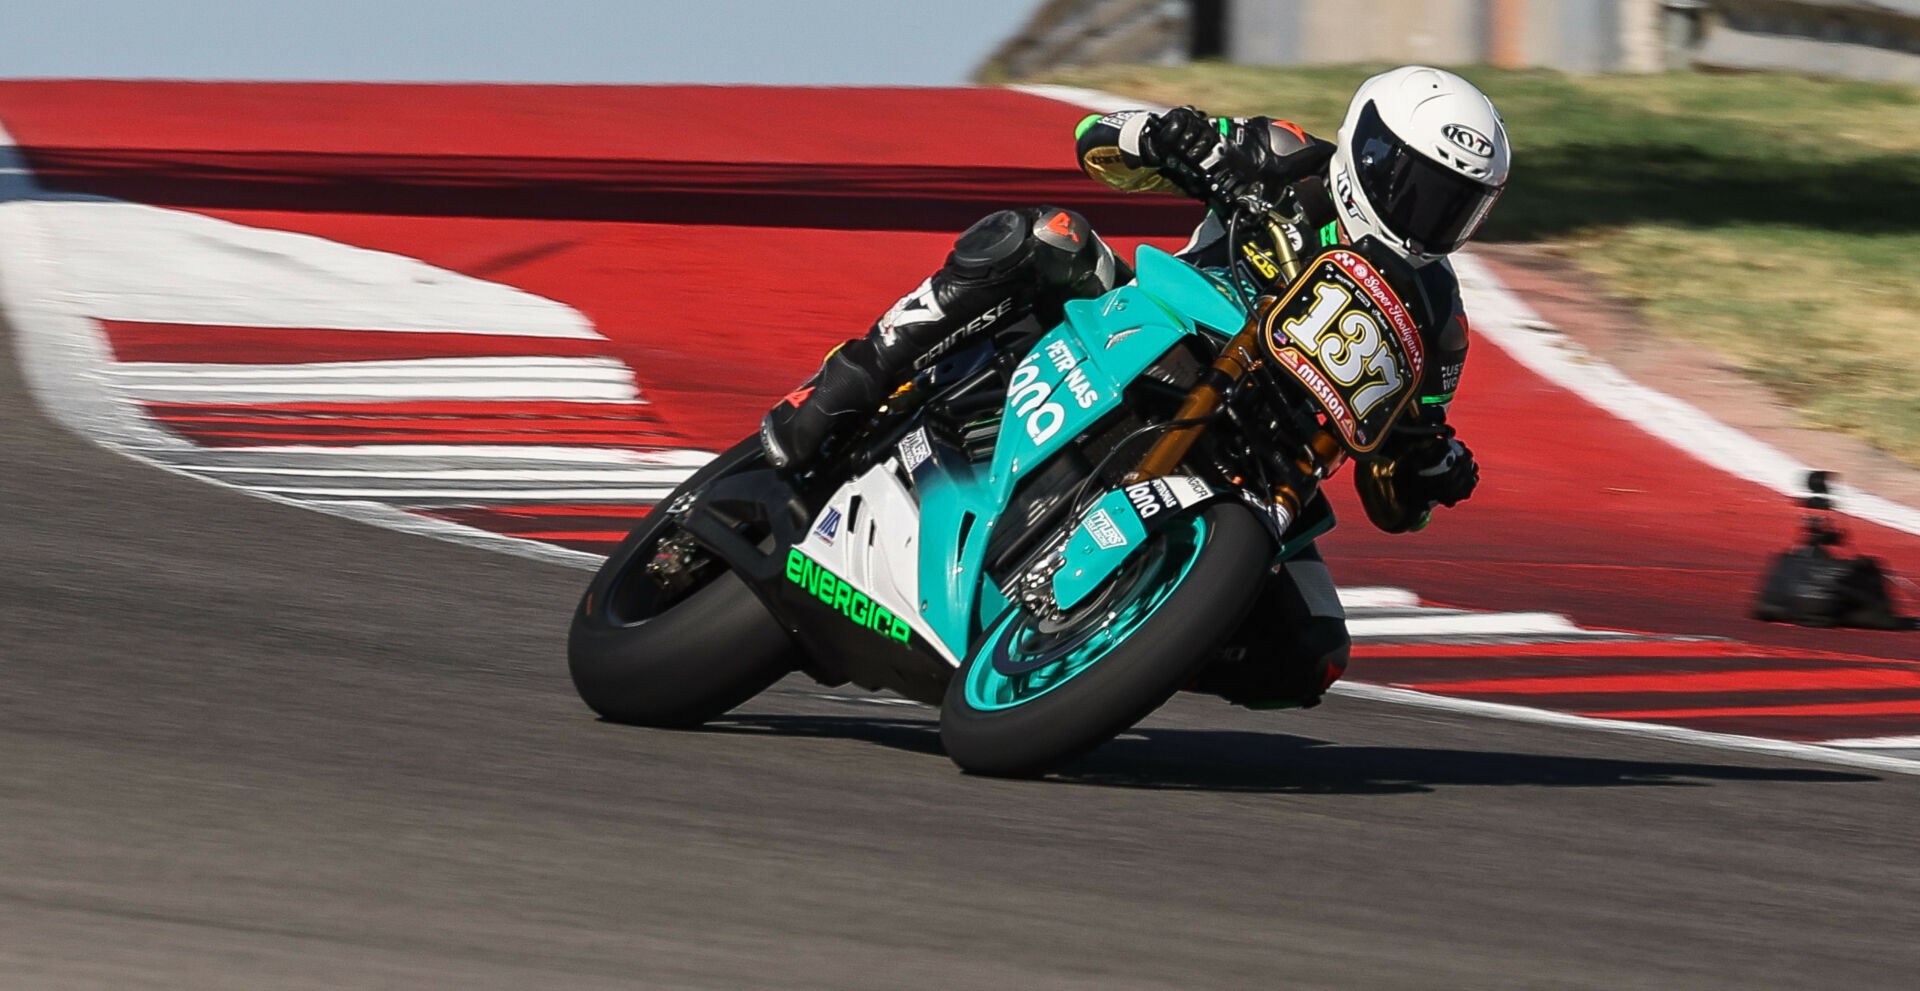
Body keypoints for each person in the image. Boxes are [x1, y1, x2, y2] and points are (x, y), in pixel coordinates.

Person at [759, 65, 1510, 706]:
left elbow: (1393, 498)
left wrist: (1427, 473)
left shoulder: (1439, 325)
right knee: (1045, 235)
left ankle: (1117, 634)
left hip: (1266, 463)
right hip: (1156, 324)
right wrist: (1166, 139)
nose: (1427, 216)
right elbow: (1097, 142)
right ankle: (845, 382)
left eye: (1455, 204)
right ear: (1367, 147)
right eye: (1415, 186)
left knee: (1312, 653)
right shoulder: (1282, 154)